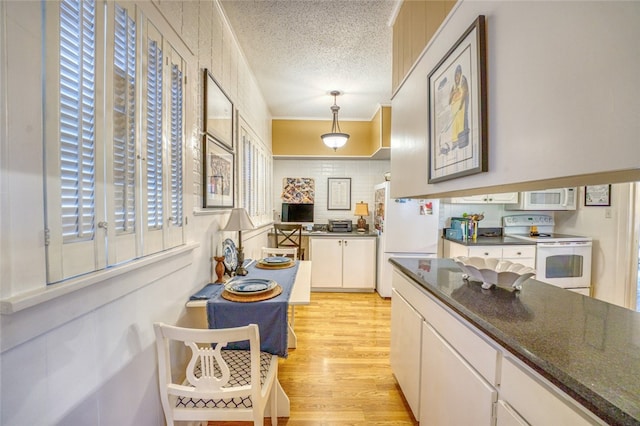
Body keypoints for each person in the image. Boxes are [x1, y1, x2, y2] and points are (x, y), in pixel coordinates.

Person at [448, 64, 469, 149]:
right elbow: (449, 101)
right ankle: (454, 143)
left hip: (460, 107)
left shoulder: (463, 80)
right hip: (454, 109)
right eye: (456, 75)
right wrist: (453, 92)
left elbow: (465, 92)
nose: (457, 77)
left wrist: (461, 104)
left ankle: (461, 142)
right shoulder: (453, 86)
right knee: (454, 126)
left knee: (461, 124)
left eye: (458, 74)